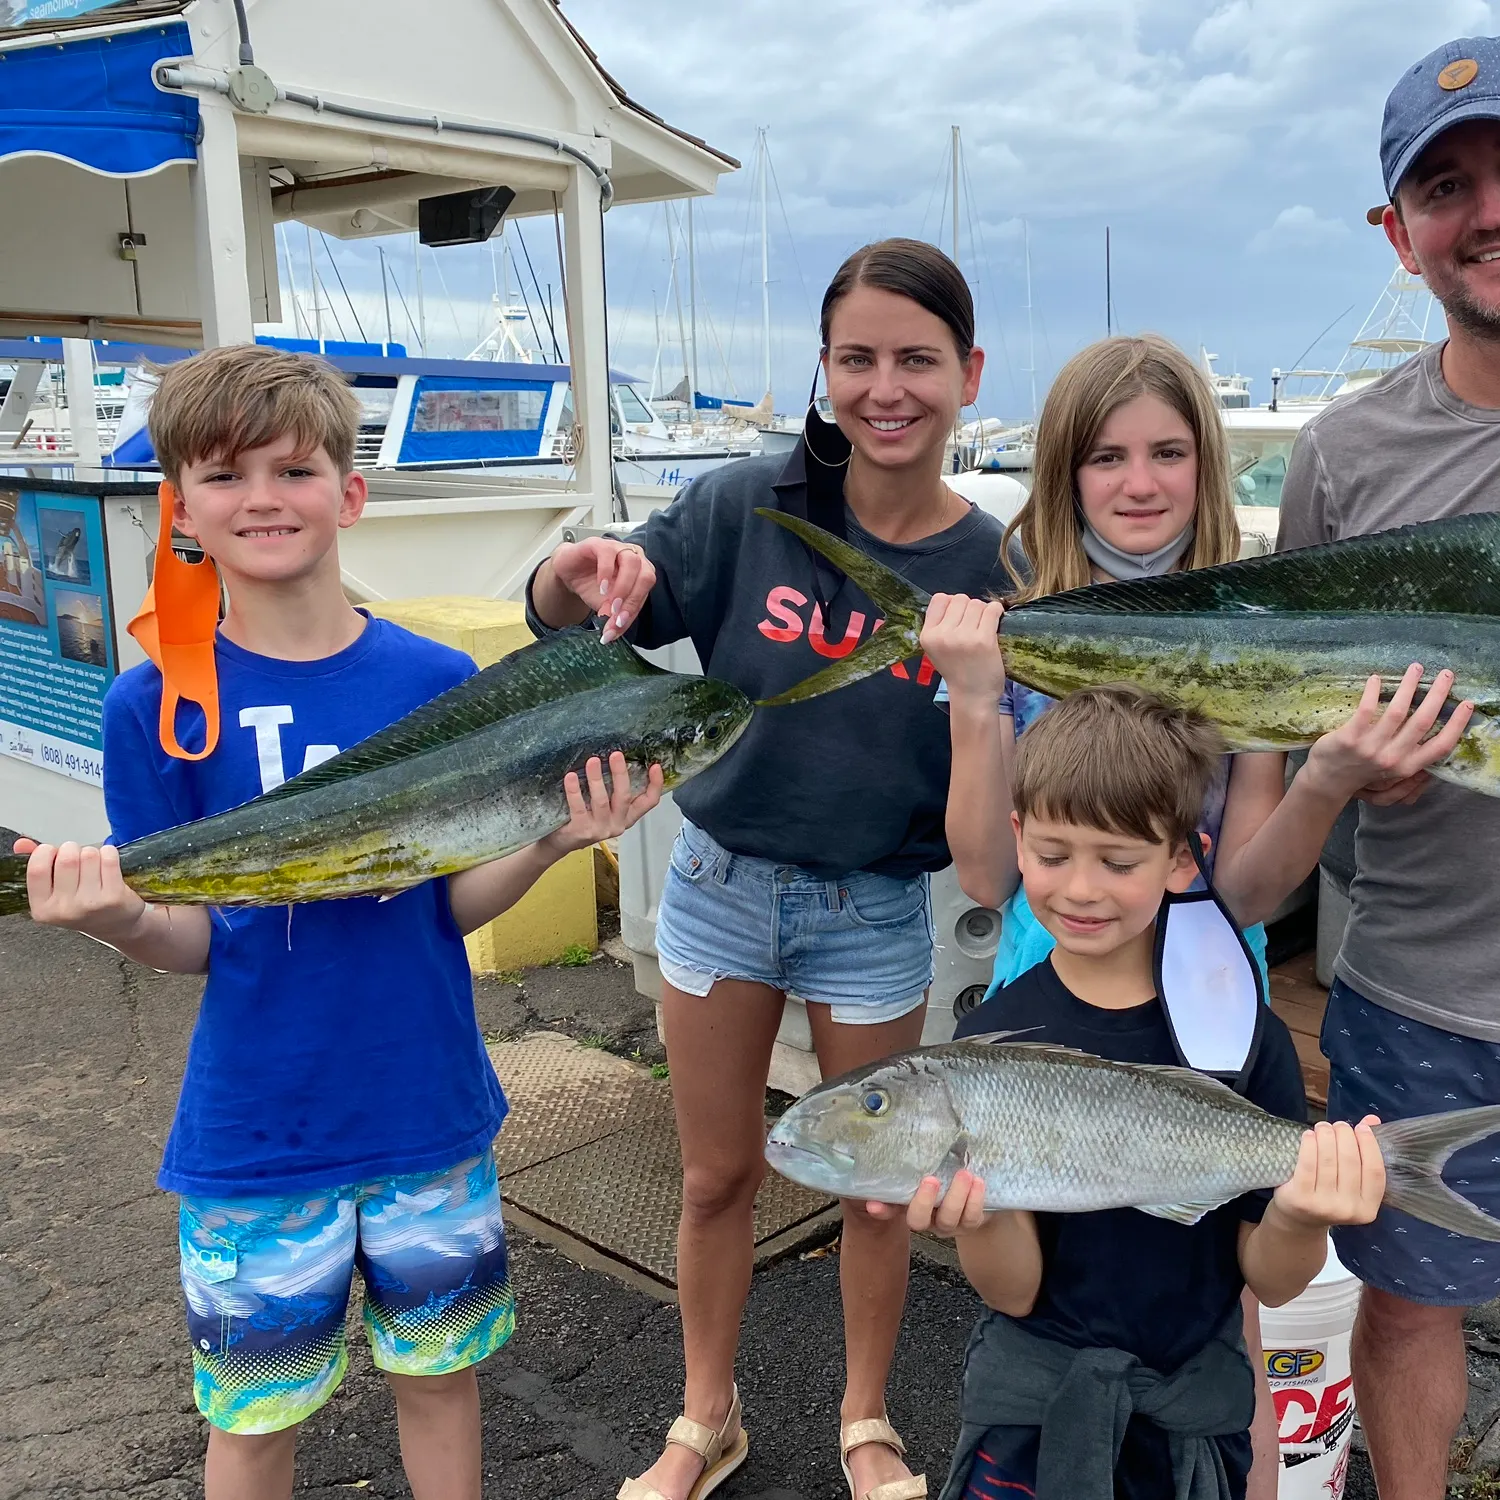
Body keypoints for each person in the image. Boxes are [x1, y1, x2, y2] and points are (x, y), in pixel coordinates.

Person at [15, 343, 662, 1500]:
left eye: (292, 469)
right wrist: (115, 922)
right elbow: (193, 937)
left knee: (443, 1381)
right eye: (221, 476)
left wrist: (556, 839)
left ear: (350, 493)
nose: (261, 498)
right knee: (256, 1415)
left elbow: (445, 904)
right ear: (181, 508)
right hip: (257, 1134)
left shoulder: (434, 680)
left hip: (429, 1111)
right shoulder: (152, 699)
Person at [918, 331, 1469, 1497]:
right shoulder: (1019, 633)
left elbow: (1250, 890)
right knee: (1048, 1276)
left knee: (1224, 1307)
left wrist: (1322, 774)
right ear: (1063, 474)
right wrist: (976, 699)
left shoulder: (1258, 627)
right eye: (1106, 456)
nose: (1140, 481)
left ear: (1206, 468)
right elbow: (983, 872)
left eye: (1170, 451)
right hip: (1052, 986)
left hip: (1208, 1005)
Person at [526, 239, 1006, 1500]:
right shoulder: (745, 504)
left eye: (917, 359)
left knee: (881, 1195)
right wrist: (566, 571)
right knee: (715, 1172)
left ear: (968, 373)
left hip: (875, 913)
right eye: (857, 358)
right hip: (723, 887)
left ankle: (863, 1419)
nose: (885, 387)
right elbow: (579, 608)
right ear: (825, 369)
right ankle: (705, 1417)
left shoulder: (995, 567)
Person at [898, 684, 1387, 1500]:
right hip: (1032, 1407)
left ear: (1183, 857)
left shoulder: (1240, 1034)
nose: (1081, 889)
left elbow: (1270, 1280)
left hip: (1189, 1414)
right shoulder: (994, 1044)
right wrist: (974, 1216)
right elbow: (1012, 1290)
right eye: (1053, 856)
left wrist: (1301, 1213)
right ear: (1018, 840)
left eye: (1118, 862)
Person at [1277, 34, 1500, 1499]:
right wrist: (1356, 768)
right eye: (1446, 184)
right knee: (1413, 1304)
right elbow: (1287, 700)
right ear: (1397, 233)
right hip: (1423, 982)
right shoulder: (1346, 452)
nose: (1485, 211)